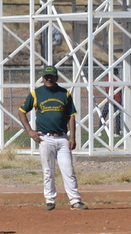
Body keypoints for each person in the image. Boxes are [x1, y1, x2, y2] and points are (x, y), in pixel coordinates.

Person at [17, 65, 88, 211]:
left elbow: (71, 116)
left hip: (62, 137)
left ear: (56, 77)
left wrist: (72, 137)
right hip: (45, 138)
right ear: (42, 78)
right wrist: (30, 131)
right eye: (46, 77)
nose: (49, 79)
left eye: (52, 76)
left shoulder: (64, 94)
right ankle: (50, 200)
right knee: (48, 171)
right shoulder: (36, 93)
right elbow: (22, 111)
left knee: (68, 170)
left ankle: (75, 200)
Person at [100, 71, 122, 136]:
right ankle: (117, 132)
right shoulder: (119, 80)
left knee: (104, 114)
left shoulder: (107, 80)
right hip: (118, 99)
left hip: (109, 99)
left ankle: (99, 130)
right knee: (117, 116)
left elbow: (106, 90)